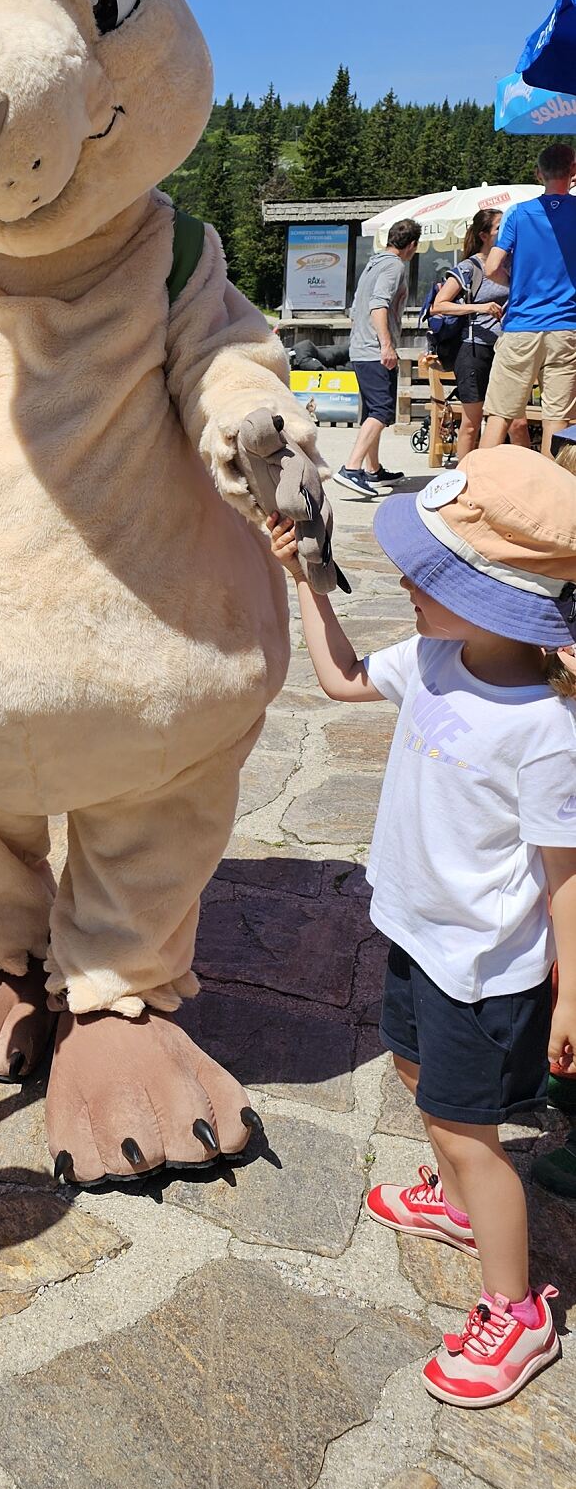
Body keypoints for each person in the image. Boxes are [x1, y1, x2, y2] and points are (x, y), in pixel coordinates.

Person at [268, 447, 575, 1408]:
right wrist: (307, 582)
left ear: (499, 602)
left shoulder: (548, 730)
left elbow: (567, 881)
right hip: (415, 930)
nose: (405, 581)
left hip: (484, 968)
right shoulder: (435, 656)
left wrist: (572, 993)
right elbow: (343, 679)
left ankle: (516, 1311)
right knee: (413, 1072)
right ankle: (455, 1193)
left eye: (429, 576)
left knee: (468, 1126)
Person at [481, 141, 576, 457]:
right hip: (566, 328)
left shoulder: (519, 213)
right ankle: (551, 499)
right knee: (558, 420)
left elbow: (492, 266)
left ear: (538, 173)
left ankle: (474, 490)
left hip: (522, 325)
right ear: (573, 171)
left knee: (500, 415)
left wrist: (516, 282)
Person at [335, 219, 420, 498]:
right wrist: (386, 345)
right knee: (382, 411)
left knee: (373, 412)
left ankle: (372, 471)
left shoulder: (373, 263)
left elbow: (358, 304)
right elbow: (378, 305)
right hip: (374, 350)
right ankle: (351, 468)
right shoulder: (394, 266)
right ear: (411, 246)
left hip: (359, 347)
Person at [428, 210, 523, 459]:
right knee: (472, 423)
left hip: (507, 348)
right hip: (474, 348)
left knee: (517, 423)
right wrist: (479, 307)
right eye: (499, 227)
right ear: (484, 235)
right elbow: (438, 305)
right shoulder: (470, 267)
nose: (507, 230)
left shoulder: (514, 263)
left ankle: (523, 476)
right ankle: (464, 480)